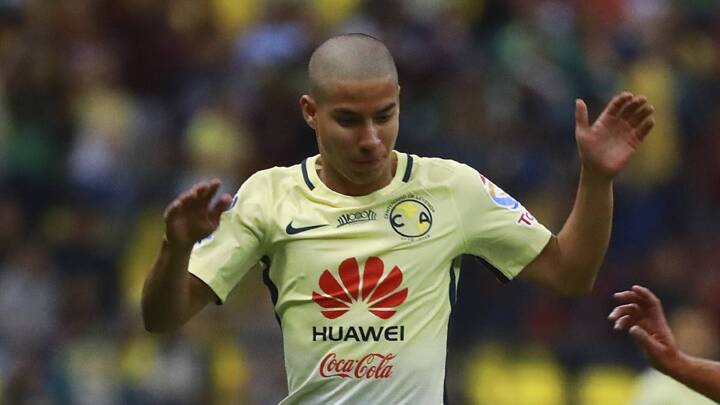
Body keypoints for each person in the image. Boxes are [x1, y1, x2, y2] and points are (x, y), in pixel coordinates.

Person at [142, 33, 655, 404]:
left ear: (399, 103)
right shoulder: (269, 196)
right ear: (310, 111)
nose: (371, 139)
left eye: (384, 115)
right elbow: (161, 318)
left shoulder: (452, 189)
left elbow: (570, 273)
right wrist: (176, 248)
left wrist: (596, 179)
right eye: (349, 120)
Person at [609, 285, 720, 403]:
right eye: (687, 330)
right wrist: (676, 362)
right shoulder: (654, 384)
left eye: (700, 330)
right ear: (672, 332)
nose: (694, 337)